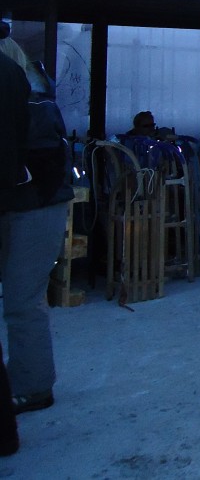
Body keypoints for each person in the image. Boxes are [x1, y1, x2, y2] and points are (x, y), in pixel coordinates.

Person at [0, 55, 72, 418]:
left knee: (22, 298)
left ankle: (32, 386)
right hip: (29, 201)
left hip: (35, 205)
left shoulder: (13, 81)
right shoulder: (19, 80)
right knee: (21, 298)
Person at [0, 48, 24, 453]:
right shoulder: (13, 72)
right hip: (13, 195)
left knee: (22, 301)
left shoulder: (8, 72)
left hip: (17, 199)